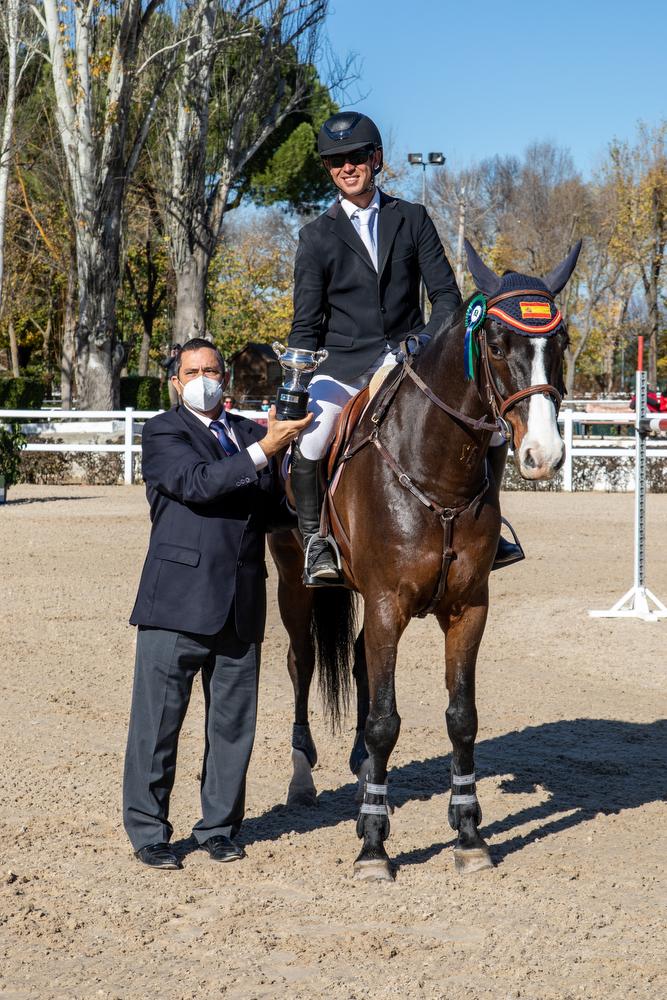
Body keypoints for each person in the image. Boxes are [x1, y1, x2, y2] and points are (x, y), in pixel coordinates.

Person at [287, 111, 521, 586]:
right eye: (335, 162)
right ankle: (316, 542)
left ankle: (492, 530)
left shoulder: (412, 218)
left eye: (355, 157)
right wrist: (295, 382)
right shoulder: (315, 237)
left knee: (494, 431)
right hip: (344, 366)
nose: (346, 168)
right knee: (311, 440)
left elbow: (447, 298)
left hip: (410, 360)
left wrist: (420, 341)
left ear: (376, 159)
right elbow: (306, 323)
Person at [123, 337, 310, 870]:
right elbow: (197, 483)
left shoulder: (255, 433)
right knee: (157, 725)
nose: (204, 378)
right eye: (193, 370)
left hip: (241, 602)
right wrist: (265, 452)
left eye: (213, 370)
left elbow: (277, 510)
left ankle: (219, 827)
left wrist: (294, 455)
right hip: (176, 602)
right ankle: (149, 831)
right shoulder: (163, 432)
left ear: (225, 378)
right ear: (176, 381)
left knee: (232, 727)